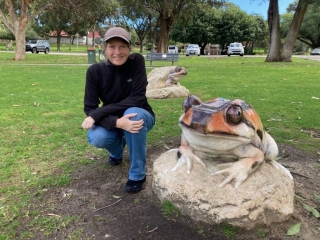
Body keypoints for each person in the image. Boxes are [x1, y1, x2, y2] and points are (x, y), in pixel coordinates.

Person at [81, 27, 155, 193]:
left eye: (122, 47)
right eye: (112, 47)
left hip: (141, 114)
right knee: (96, 136)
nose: (117, 52)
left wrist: (98, 113)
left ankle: (137, 174)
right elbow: (90, 107)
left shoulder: (137, 62)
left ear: (129, 48)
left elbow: (137, 98)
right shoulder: (94, 71)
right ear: (105, 48)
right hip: (114, 119)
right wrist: (116, 122)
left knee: (133, 115)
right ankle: (117, 152)